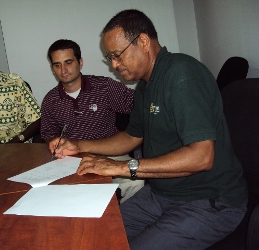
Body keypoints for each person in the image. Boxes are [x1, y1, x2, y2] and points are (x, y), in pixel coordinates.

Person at [50, 9, 248, 249]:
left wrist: (122, 167)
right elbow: (131, 136)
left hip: (208, 200)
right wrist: (79, 145)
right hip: (162, 193)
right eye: (110, 58)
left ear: (143, 42)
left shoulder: (182, 74)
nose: (114, 65)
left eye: (117, 55)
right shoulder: (145, 85)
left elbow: (202, 157)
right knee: (96, 235)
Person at [43, 39, 144, 203]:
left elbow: (138, 105)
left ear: (80, 62)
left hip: (112, 153)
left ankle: (125, 222)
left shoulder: (105, 87)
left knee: (136, 182)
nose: (63, 70)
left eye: (68, 62)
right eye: (57, 65)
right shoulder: (50, 100)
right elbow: (48, 133)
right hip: (73, 160)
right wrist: (53, 141)